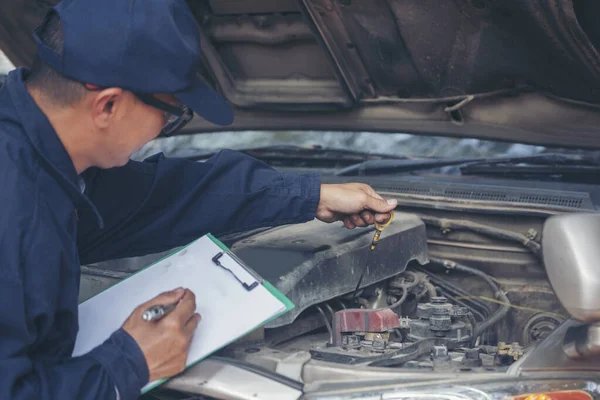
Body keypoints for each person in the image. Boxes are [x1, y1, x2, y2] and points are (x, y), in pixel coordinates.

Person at [0, 0, 398, 399]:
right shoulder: (14, 205)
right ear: (107, 104)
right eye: (171, 113)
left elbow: (162, 197)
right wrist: (129, 363)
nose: (165, 129)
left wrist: (312, 196)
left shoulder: (50, 161)